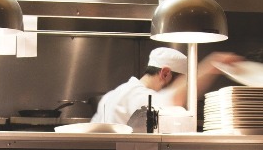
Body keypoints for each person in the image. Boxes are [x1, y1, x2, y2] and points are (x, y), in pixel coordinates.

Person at [91, 47, 242, 124]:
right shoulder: (139, 96)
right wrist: (212, 64)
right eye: (182, 83)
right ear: (165, 73)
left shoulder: (111, 95)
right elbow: (173, 99)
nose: (183, 88)